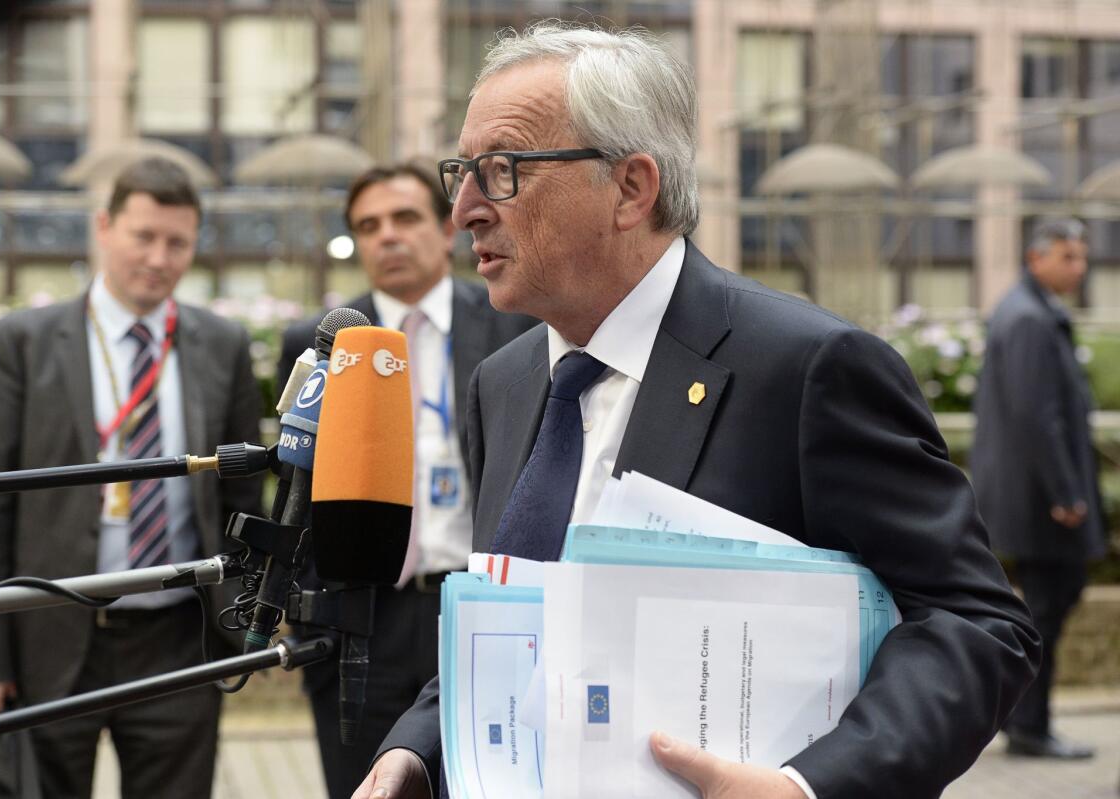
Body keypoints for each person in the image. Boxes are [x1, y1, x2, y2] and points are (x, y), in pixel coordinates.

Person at [355, 22, 1040, 799]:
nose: (466, 210)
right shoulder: (502, 382)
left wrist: (804, 786)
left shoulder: (808, 367)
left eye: (503, 170)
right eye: (463, 173)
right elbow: (518, 609)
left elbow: (978, 624)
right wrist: (416, 747)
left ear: (630, 188)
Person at [0, 157, 264, 798]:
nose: (158, 257)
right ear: (104, 227)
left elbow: (240, 500)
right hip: (54, 635)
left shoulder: (220, 344)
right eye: (142, 236)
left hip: (182, 636)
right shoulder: (25, 341)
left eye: (177, 242)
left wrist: (246, 625)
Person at [276, 162, 535, 799]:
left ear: (446, 228)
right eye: (369, 226)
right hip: (362, 617)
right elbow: (294, 487)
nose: (387, 236)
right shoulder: (322, 344)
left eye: (405, 218)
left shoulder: (518, 325)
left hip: (479, 604)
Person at [971, 218, 1108, 760]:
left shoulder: (1028, 311)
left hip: (1037, 497)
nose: (1079, 267)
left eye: (1082, 256)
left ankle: (1027, 722)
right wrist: (1066, 494)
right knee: (1047, 608)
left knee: (1049, 605)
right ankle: (1029, 725)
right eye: (1069, 256)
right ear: (1036, 258)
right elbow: (1037, 416)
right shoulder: (1029, 318)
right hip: (1044, 502)